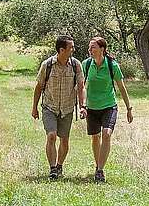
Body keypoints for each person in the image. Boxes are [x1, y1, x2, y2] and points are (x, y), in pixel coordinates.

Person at [31, 35, 86, 180]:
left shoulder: (76, 65)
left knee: (65, 140)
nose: (73, 49)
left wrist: (82, 106)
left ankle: (60, 164)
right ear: (62, 50)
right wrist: (34, 107)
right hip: (50, 106)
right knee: (51, 136)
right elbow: (38, 87)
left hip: (67, 108)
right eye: (71, 47)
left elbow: (81, 86)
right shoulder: (47, 65)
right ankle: (53, 169)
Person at [82, 37, 133, 182]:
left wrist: (129, 108)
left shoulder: (112, 65)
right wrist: (83, 105)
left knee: (106, 134)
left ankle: (100, 170)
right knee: (95, 137)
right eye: (90, 47)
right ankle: (97, 164)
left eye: (93, 47)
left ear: (102, 49)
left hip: (109, 106)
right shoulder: (86, 65)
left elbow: (121, 88)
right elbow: (82, 87)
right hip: (91, 107)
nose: (90, 50)